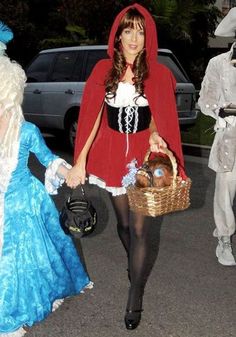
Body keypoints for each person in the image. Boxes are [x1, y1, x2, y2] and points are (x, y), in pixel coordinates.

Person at [66, 3, 187, 330]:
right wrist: (79, 162)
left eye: (140, 30)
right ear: (117, 35)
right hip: (111, 157)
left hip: (143, 162)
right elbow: (91, 119)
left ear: (148, 36)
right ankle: (136, 263)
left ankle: (135, 292)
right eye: (128, 30)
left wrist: (156, 137)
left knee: (139, 228)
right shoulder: (101, 70)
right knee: (123, 225)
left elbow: (159, 118)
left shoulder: (159, 73)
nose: (134, 38)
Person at [0, 22, 92, 337]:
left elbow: (50, 160)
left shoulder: (26, 131)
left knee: (16, 263)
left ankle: (12, 315)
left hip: (22, 204)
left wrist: (72, 173)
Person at [198, 7, 236, 267]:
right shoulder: (218, 64)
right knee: (225, 189)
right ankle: (224, 237)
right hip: (229, 135)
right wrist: (221, 114)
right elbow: (205, 101)